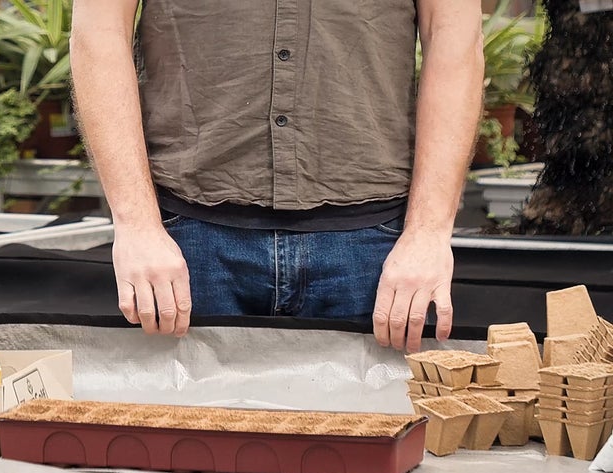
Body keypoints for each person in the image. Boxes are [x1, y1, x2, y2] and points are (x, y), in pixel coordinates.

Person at [70, 0, 484, 353]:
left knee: (375, 439)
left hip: (378, 250)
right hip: (182, 242)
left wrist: (429, 233)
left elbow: (454, 40)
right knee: (188, 441)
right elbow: (99, 34)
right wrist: (137, 225)